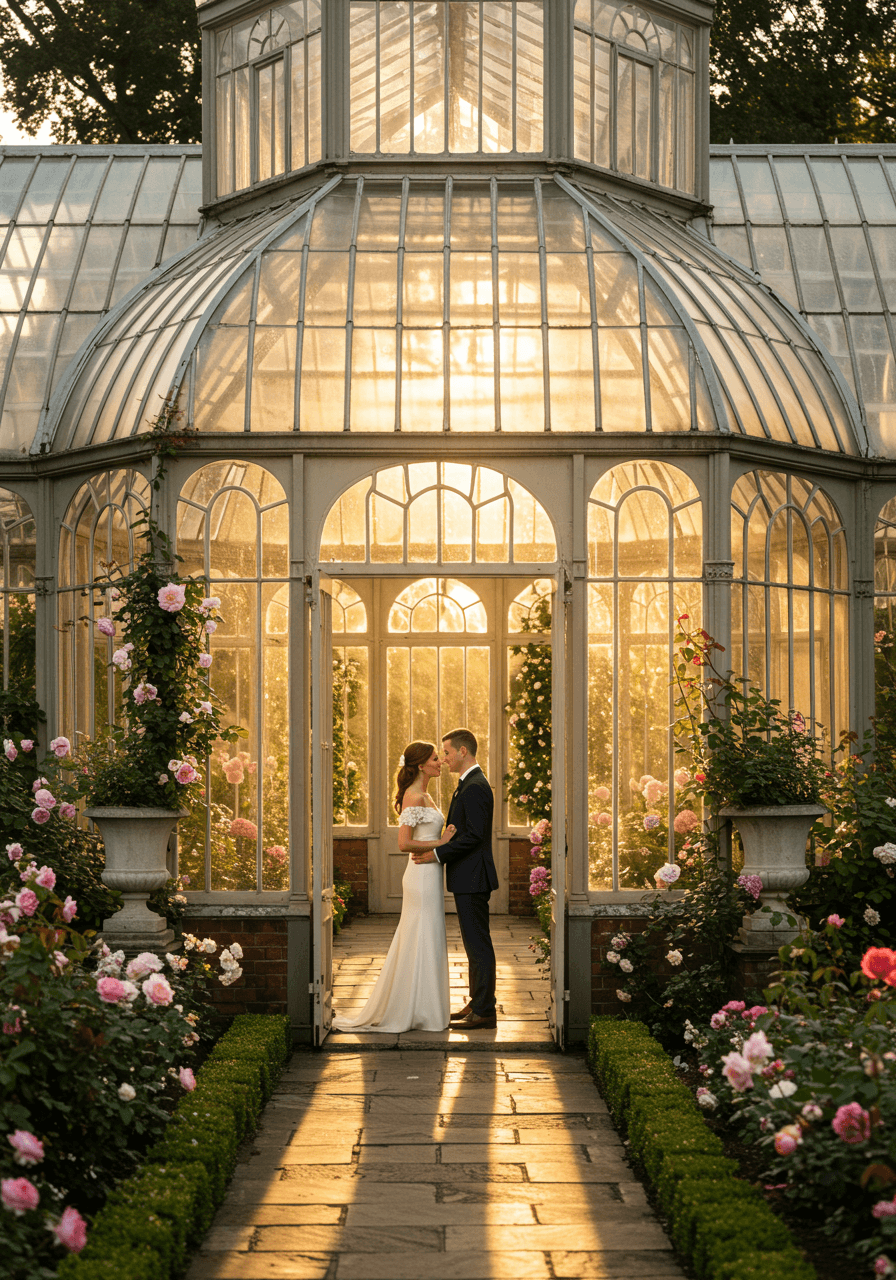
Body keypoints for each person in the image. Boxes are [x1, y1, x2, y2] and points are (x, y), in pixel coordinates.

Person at [332, 741, 455, 1033]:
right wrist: (442, 843)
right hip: (421, 875)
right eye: (436, 759)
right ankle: (417, 1010)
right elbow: (403, 842)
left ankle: (424, 1008)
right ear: (422, 764)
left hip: (429, 872)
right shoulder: (415, 796)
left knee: (427, 936)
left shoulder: (425, 794)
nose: (440, 763)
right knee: (422, 934)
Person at [412, 728, 498, 1029]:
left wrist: (436, 855)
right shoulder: (468, 783)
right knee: (474, 944)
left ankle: (485, 1011)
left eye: (447, 753)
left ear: (463, 752)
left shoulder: (475, 786)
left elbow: (473, 836)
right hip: (468, 877)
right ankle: (478, 1002)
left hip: (473, 877)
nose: (445, 758)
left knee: (478, 945)